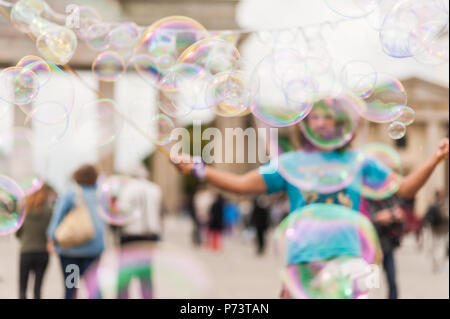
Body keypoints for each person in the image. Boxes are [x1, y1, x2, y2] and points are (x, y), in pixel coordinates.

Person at [171, 98, 450, 298]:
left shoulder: (359, 161)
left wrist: (435, 159)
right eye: (313, 116)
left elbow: (405, 189)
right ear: (305, 124)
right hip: (303, 257)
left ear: (340, 124)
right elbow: (241, 185)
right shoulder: (290, 163)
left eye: (326, 116)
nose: (319, 121)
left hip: (348, 257)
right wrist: (198, 168)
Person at [47, 164, 105, 299]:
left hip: (71, 252)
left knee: (71, 289)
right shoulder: (100, 194)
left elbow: (57, 217)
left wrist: (51, 239)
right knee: (94, 289)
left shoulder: (70, 193)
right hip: (94, 251)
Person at [114, 163, 163, 299]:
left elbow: (120, 212)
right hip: (151, 235)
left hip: (131, 235)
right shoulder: (155, 188)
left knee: (125, 274)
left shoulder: (126, 189)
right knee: (146, 274)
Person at [16, 183, 56, 299]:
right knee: (37, 289)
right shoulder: (49, 210)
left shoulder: (24, 209)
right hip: (42, 252)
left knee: (22, 288)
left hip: (26, 251)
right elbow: (51, 232)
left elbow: (18, 231)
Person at [360, 195, 405, 299]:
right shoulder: (366, 200)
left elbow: (400, 226)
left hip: (387, 246)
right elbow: (362, 221)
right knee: (370, 282)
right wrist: (377, 218)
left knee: (392, 280)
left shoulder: (389, 199)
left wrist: (399, 218)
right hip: (371, 249)